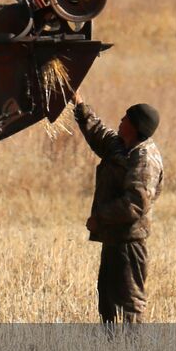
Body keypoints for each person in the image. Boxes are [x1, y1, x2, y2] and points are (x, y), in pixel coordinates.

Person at [72, 92, 164, 323]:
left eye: (125, 119)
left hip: (129, 244)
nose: (120, 121)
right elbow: (99, 135)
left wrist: (99, 218)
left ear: (134, 127)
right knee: (108, 303)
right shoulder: (124, 147)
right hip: (115, 239)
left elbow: (134, 204)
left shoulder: (144, 159)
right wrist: (79, 103)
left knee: (129, 305)